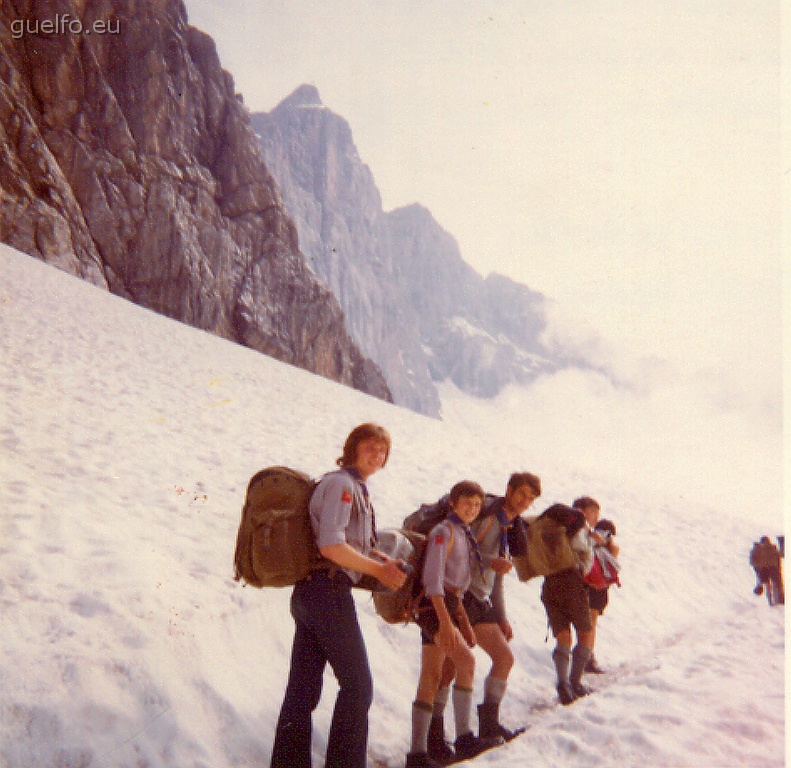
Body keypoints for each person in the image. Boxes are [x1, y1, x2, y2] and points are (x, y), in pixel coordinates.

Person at [270, 423, 407, 768]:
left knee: (302, 690)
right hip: (326, 594)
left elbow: (343, 544)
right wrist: (378, 572)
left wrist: (378, 560)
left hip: (313, 594)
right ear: (352, 449)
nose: (377, 455)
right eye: (370, 447)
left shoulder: (352, 486)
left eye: (382, 451)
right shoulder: (343, 486)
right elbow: (331, 545)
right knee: (358, 687)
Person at [425, 473, 541, 764]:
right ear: (509, 491)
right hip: (462, 598)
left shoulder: (508, 524)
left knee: (504, 658)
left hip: (482, 600)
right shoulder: (488, 517)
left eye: (531, 498)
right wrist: (492, 562)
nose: (525, 502)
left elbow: (495, 579)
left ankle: (488, 725)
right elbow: (463, 551)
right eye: (522, 494)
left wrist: (500, 615)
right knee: (450, 669)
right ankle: (436, 737)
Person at [407, 481, 500, 768]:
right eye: (466, 503)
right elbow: (434, 582)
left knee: (433, 675)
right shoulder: (443, 532)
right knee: (467, 663)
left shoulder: (462, 532)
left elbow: (456, 586)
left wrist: (463, 622)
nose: (472, 509)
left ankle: (419, 753)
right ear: (453, 503)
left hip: (445, 607)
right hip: (435, 608)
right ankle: (463, 739)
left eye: (476, 505)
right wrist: (447, 625)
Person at [540, 498, 597, 705]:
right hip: (572, 583)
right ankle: (575, 682)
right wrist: (593, 541)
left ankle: (562, 684)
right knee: (586, 632)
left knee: (563, 634)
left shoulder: (547, 530)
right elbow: (584, 550)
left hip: (549, 585)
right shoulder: (577, 528)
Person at [582, 513, 621, 675]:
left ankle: (584, 655)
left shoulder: (590, 541)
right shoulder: (611, 548)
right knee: (591, 625)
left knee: (586, 624)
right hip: (599, 590)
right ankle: (588, 657)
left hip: (586, 586)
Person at [750, 536, 784, 606]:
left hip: (764, 569)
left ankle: (771, 602)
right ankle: (779, 601)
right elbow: (780, 556)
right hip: (773, 568)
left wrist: (758, 568)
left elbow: (753, 561)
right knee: (776, 585)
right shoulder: (772, 548)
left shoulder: (758, 549)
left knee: (768, 585)